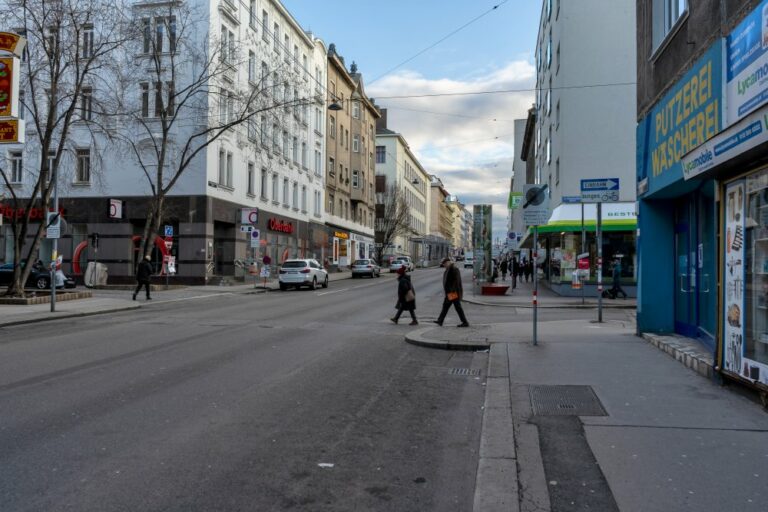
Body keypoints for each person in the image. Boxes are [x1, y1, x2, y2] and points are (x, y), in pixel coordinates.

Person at [434, 257, 469, 327]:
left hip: (453, 292)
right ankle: (440, 320)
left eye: (444, 264)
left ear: (448, 262)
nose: (444, 265)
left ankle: (465, 322)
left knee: (457, 308)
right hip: (450, 292)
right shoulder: (449, 269)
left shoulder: (454, 269)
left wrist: (451, 291)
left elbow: (456, 281)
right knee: (446, 307)